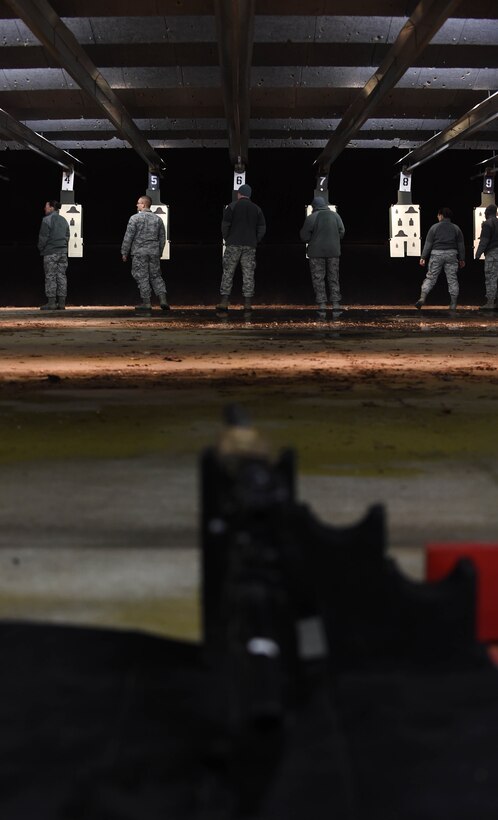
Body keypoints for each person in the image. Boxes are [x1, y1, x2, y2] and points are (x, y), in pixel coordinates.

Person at [217, 184, 266, 313]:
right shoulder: (257, 209)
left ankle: (224, 301)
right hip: (250, 245)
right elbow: (262, 227)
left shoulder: (232, 206)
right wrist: (256, 239)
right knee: (248, 274)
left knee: (228, 272)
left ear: (239, 194)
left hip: (233, 244)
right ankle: (247, 303)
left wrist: (227, 239)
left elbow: (225, 225)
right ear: (249, 195)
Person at [299, 196, 345, 319]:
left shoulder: (311, 218)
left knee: (318, 278)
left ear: (314, 206)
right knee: (334, 277)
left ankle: (322, 305)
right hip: (333, 252)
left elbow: (304, 236)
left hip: (316, 253)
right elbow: (342, 232)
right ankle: (336, 304)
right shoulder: (335, 216)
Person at [121, 195, 169, 313]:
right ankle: (163, 300)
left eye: (138, 203)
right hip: (154, 253)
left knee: (142, 276)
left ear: (143, 204)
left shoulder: (134, 218)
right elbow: (162, 238)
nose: (137, 205)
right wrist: (159, 252)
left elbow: (128, 237)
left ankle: (146, 303)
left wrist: (124, 252)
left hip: (139, 252)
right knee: (156, 275)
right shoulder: (158, 219)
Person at [416, 207, 465, 312]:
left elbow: (428, 244)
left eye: (438, 215)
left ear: (441, 215)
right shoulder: (456, 228)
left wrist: (423, 257)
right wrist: (462, 259)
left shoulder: (434, 227)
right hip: (452, 255)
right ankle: (453, 304)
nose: (437, 217)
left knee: (430, 278)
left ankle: (422, 298)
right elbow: (461, 245)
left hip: (436, 255)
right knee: (452, 279)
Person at [37, 200, 70, 310]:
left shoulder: (46, 220)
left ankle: (51, 303)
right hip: (63, 253)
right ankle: (61, 303)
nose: (44, 208)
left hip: (51, 252)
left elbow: (43, 237)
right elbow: (67, 235)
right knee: (62, 276)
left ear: (51, 208)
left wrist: (41, 248)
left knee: (50, 276)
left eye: (46, 206)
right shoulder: (64, 220)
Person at [475, 203, 498, 311]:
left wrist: (478, 254)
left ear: (487, 213)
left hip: (492, 254)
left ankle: (490, 303)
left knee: (491, 278)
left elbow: (484, 241)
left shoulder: (487, 223)